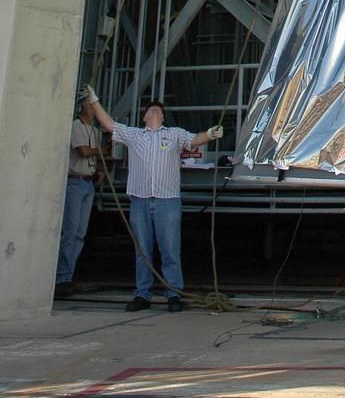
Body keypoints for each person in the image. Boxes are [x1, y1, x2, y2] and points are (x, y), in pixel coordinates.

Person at [84, 84, 223, 312]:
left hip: (167, 200)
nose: (155, 111)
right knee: (143, 249)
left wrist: (209, 134)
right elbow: (109, 124)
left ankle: (174, 293)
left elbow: (194, 140)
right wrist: (94, 101)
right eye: (151, 110)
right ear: (145, 117)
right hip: (140, 199)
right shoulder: (135, 135)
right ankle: (142, 294)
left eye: (159, 110)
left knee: (170, 249)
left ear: (163, 117)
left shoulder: (174, 134)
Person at [54, 96, 102, 299]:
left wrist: (99, 169)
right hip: (75, 181)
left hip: (88, 182)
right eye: (90, 105)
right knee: (70, 232)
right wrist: (101, 151)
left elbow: (93, 155)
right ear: (82, 107)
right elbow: (82, 151)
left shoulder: (95, 130)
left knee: (80, 233)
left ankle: (68, 276)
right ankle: (60, 278)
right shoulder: (76, 126)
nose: (93, 109)